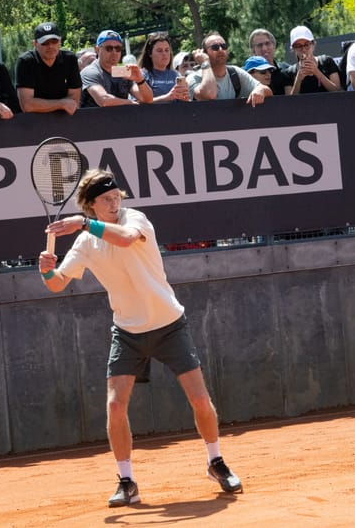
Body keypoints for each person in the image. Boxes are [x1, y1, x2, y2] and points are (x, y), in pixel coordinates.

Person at [38, 169, 243, 507]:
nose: (114, 202)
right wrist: (45, 268)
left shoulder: (135, 220)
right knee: (115, 406)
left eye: (116, 195)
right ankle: (127, 481)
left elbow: (125, 239)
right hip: (128, 332)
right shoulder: (86, 243)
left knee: (200, 400)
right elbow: (57, 283)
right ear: (91, 205)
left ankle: (215, 461)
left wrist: (82, 223)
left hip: (169, 323)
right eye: (106, 199)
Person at [188, 31, 272, 106]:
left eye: (224, 46)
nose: (220, 50)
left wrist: (260, 90)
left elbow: (267, 91)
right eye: (215, 47)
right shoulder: (193, 78)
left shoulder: (235, 73)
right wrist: (205, 62)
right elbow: (210, 94)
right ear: (204, 53)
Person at [15, 22, 81, 114]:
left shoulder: (70, 60)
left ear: (60, 41)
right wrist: (62, 104)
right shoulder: (26, 62)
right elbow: (27, 105)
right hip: (33, 122)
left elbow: (74, 102)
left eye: (54, 41)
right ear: (35, 44)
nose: (50, 46)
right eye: (45, 43)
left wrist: (43, 105)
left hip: (64, 120)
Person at [79, 30, 153, 107]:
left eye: (118, 48)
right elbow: (104, 100)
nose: (114, 52)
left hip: (118, 118)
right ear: (97, 50)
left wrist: (140, 80)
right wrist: (129, 103)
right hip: (92, 118)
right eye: (109, 48)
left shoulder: (121, 71)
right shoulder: (90, 72)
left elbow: (148, 99)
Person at [284, 26, 341, 94]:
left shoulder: (327, 61)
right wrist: (298, 79)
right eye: (298, 46)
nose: (303, 49)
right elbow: (289, 102)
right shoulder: (289, 73)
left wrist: (316, 72)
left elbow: (338, 92)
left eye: (307, 44)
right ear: (293, 49)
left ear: (313, 45)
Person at [137, 32, 189, 103]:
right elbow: (137, 103)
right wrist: (167, 97)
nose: (164, 54)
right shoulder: (142, 75)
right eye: (159, 51)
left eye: (167, 50)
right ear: (150, 53)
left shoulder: (176, 75)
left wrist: (184, 98)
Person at [248, 28, 289, 95]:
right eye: (259, 45)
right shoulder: (245, 74)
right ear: (253, 50)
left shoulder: (286, 70)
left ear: (274, 46)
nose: (264, 48)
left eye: (267, 43)